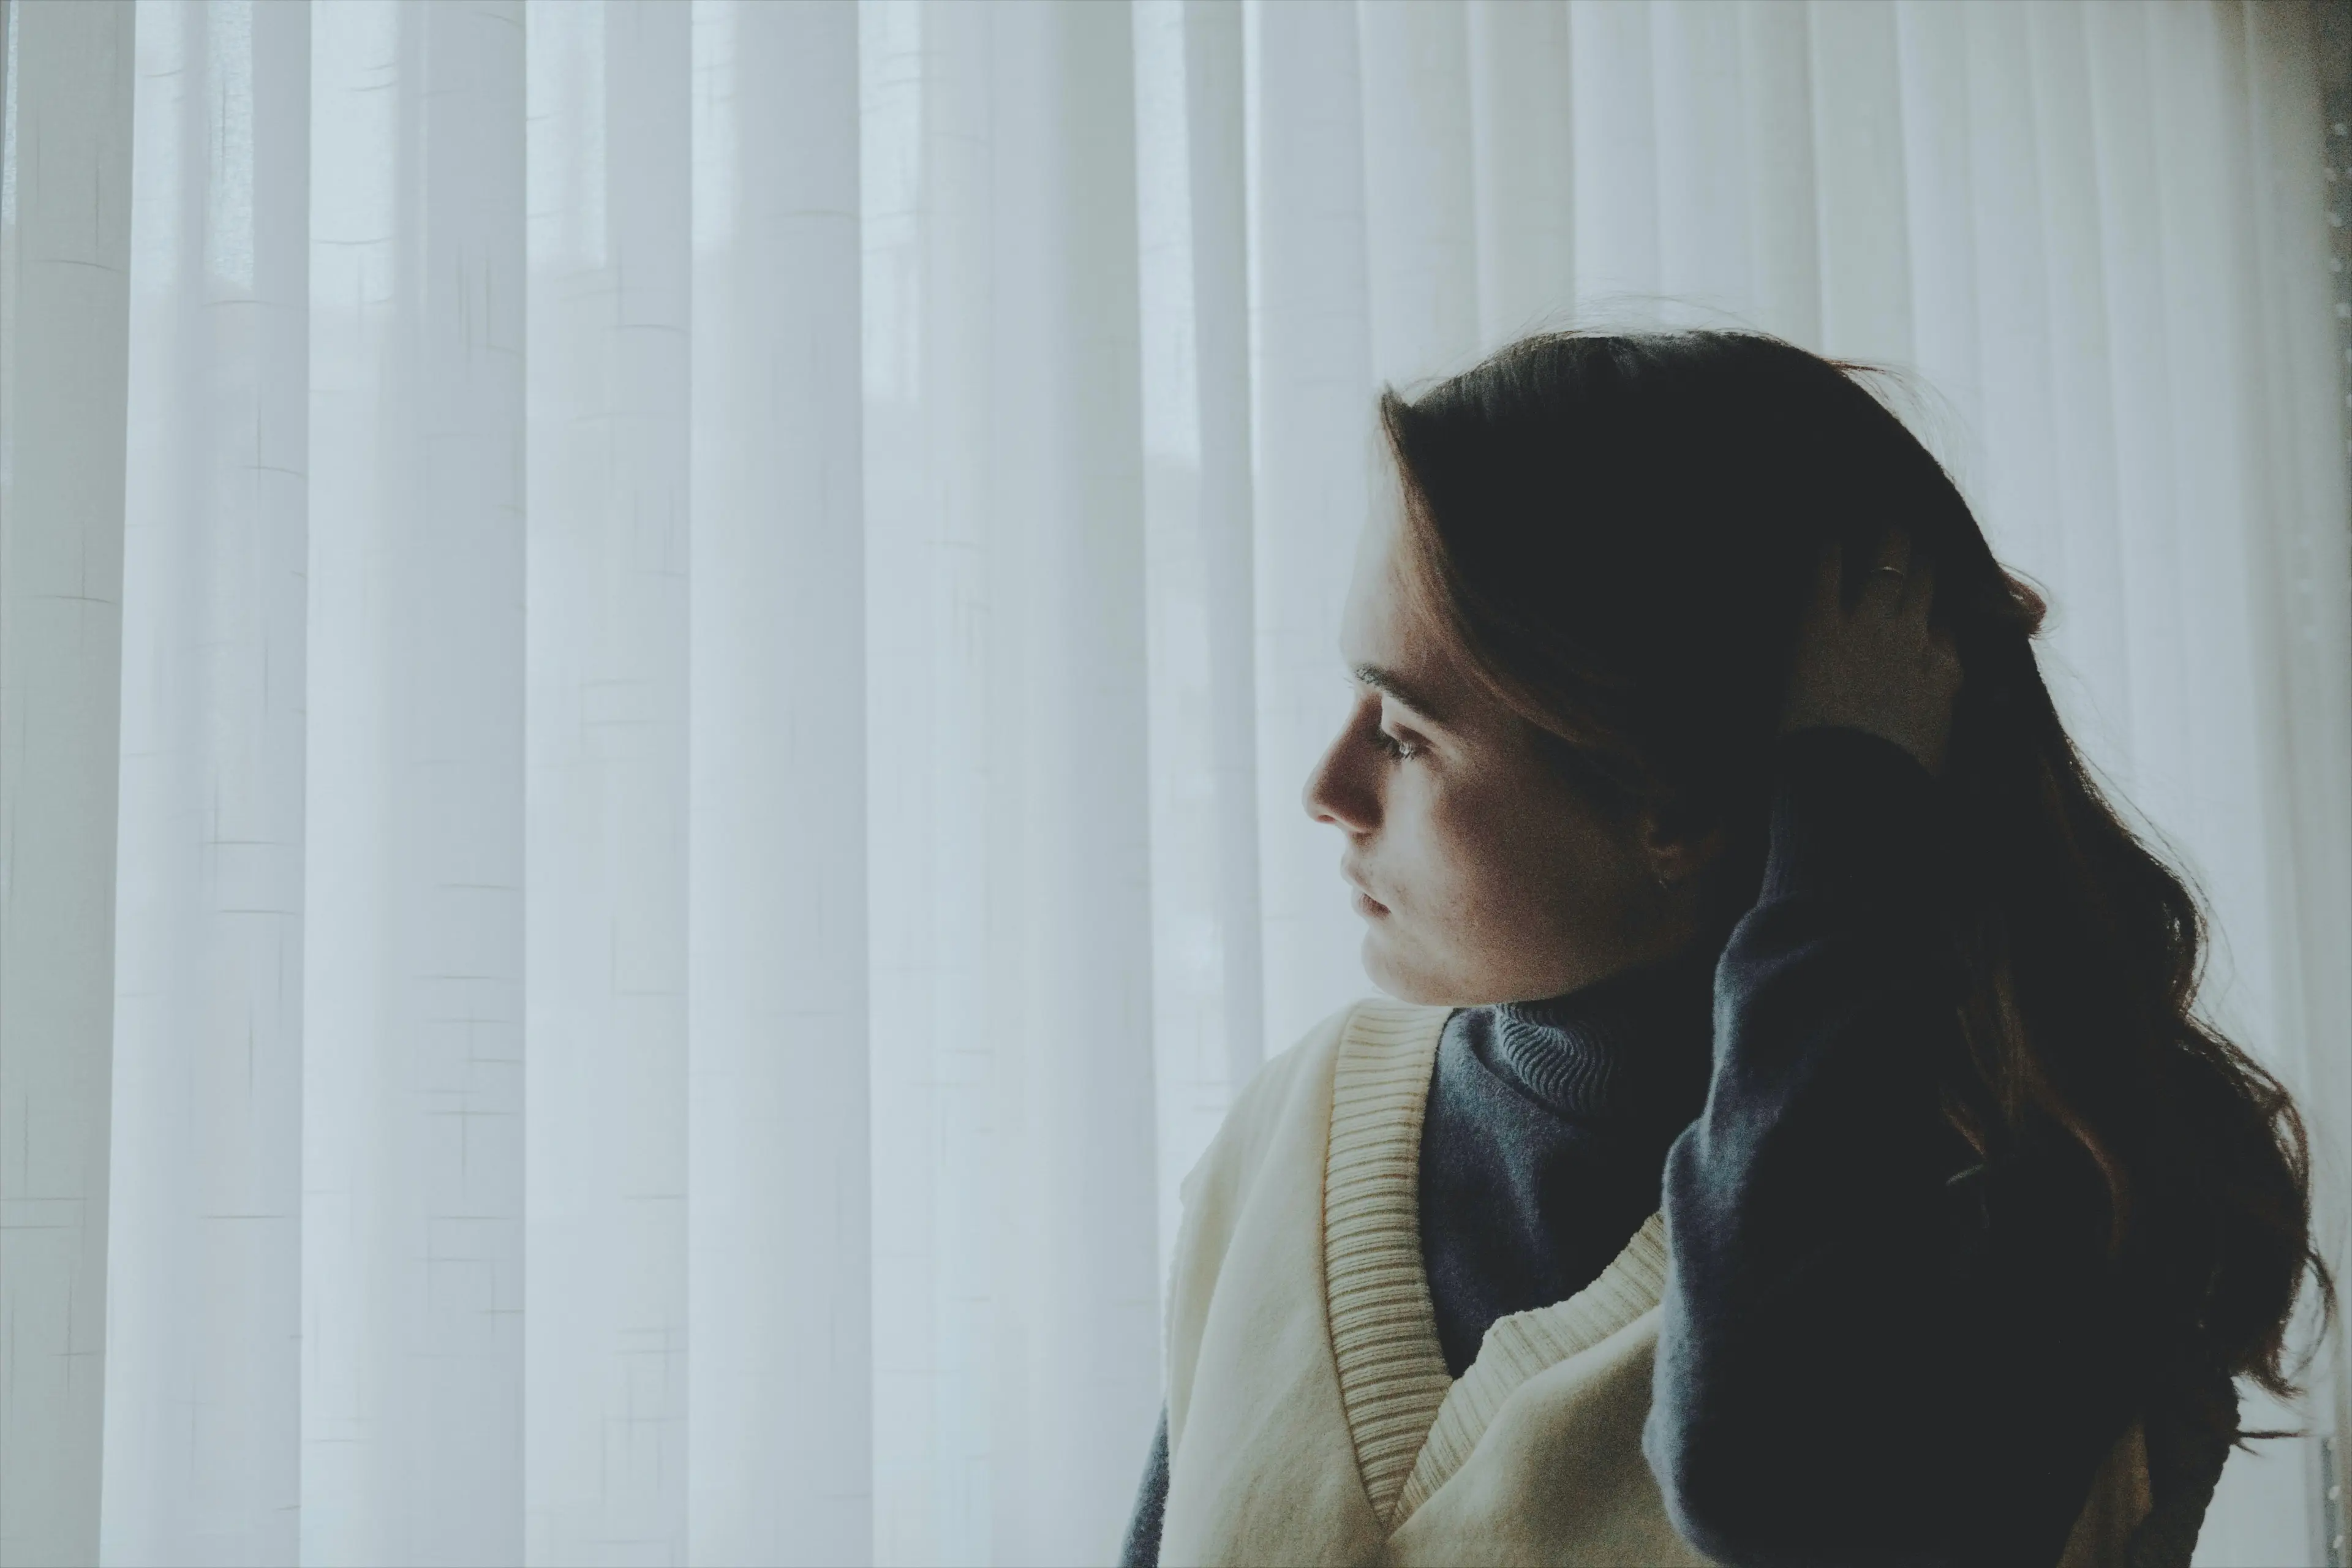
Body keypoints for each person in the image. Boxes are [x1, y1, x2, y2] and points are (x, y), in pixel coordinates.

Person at [1117, 330, 2332, 1568]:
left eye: (1408, 734)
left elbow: (1768, 1478)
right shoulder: (1301, 1124)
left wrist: (1847, 809)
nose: (1327, 789)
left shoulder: (2034, 1203)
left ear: (1678, 813)